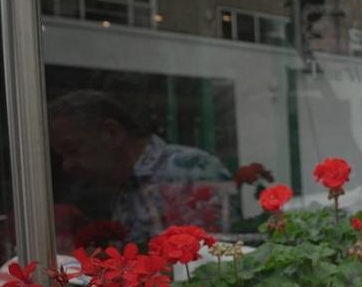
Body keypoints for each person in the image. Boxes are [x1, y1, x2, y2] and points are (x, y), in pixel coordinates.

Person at [48, 90, 233, 244]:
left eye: (72, 150)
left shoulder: (188, 170)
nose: (66, 166)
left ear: (112, 133)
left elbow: (213, 259)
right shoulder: (119, 183)